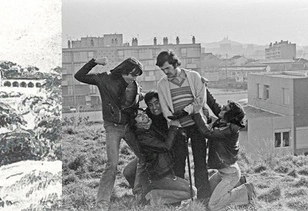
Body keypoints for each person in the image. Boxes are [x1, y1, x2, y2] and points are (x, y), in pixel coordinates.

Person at [73, 57, 145, 207]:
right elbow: (79, 76)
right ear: (123, 70)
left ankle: (139, 194)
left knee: (144, 157)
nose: (133, 78)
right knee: (112, 164)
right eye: (131, 74)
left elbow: (137, 102)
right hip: (112, 127)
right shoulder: (105, 79)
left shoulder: (135, 87)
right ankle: (102, 202)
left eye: (136, 75)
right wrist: (93, 62)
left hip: (129, 127)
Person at [155, 50, 217, 201]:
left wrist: (184, 111)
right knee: (179, 164)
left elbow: (200, 101)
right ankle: (178, 199)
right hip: (178, 129)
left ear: (175, 64)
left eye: (167, 68)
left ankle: (203, 197)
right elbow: (165, 108)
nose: (165, 72)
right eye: (162, 70)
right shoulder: (162, 84)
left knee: (200, 162)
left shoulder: (194, 76)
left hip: (197, 126)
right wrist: (175, 123)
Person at [190, 101, 256, 211]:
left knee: (213, 205)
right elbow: (211, 125)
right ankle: (238, 184)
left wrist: (197, 113)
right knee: (208, 192)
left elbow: (208, 133)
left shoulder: (229, 130)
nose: (221, 109)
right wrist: (206, 116)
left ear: (230, 115)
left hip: (230, 174)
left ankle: (245, 191)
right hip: (223, 172)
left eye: (225, 109)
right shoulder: (224, 124)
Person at [132, 110, 195, 205]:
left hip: (166, 173)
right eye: (139, 116)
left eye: (143, 113)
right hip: (159, 177)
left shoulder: (149, 129)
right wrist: (174, 127)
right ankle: (154, 197)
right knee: (192, 191)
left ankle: (157, 195)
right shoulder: (143, 138)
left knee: (191, 190)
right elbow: (166, 146)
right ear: (135, 124)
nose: (144, 116)